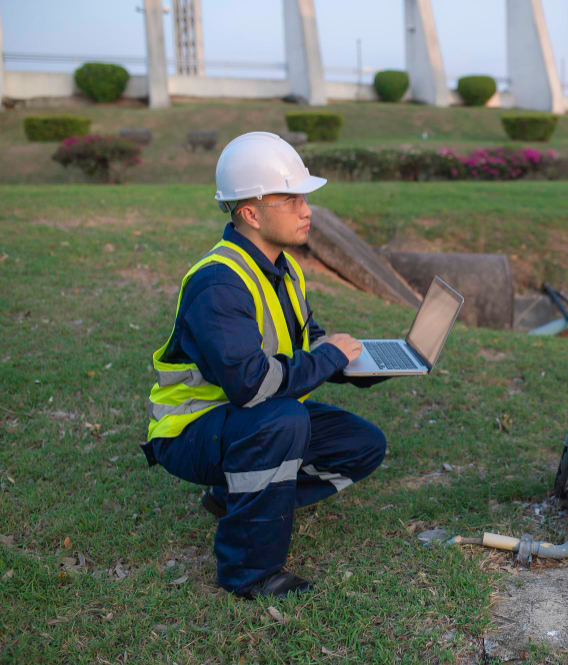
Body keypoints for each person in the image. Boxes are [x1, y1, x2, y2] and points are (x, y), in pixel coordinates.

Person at [140, 132, 388, 600]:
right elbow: (252, 387)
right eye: (290, 198)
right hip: (190, 429)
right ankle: (249, 573)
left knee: (363, 444)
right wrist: (328, 356)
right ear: (250, 213)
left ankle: (236, 498)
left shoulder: (284, 267)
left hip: (248, 420)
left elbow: (306, 343)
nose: (306, 209)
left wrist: (360, 365)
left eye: (305, 197)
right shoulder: (219, 282)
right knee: (284, 419)